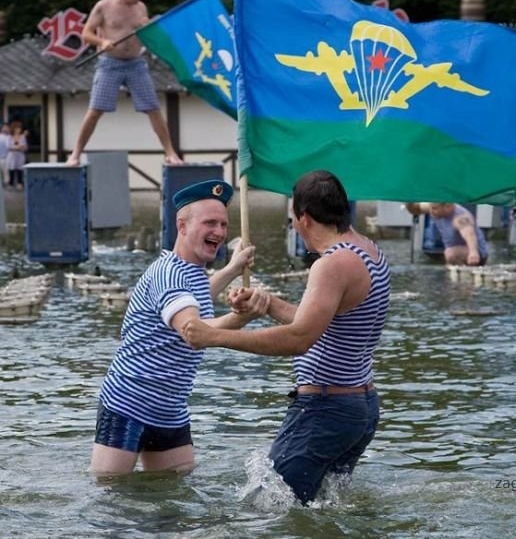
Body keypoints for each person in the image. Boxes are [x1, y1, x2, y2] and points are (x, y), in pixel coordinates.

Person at [179, 170, 392, 505]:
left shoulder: (332, 264)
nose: (294, 225)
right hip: (359, 407)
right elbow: (322, 321)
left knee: (267, 509)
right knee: (320, 510)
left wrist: (214, 336)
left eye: (293, 218)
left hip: (325, 408)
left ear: (304, 218)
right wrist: (267, 303)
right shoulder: (369, 251)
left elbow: (299, 338)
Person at [90, 179, 270, 476]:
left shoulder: (191, 270)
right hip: (128, 405)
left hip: (170, 409)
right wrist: (242, 318)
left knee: (173, 504)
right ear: (182, 226)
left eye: (224, 225)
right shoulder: (168, 273)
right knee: (112, 499)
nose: (220, 232)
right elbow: (193, 332)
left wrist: (231, 269)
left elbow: (195, 299)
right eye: (210, 223)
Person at [66, 0, 183, 167]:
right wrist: (102, 41)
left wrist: (150, 27)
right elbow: (86, 34)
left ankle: (170, 153)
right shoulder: (104, 6)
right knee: (95, 110)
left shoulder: (140, 7)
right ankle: (75, 154)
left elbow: (145, 32)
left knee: (153, 108)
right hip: (109, 64)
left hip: (136, 64)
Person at [405, 202, 488, 266]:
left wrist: (473, 252)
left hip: (477, 253)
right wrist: (408, 201)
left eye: (434, 209)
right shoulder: (434, 207)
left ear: (448, 207)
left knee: (450, 254)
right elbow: (415, 209)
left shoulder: (460, 217)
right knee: (449, 253)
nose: (431, 211)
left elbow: (470, 234)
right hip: (458, 249)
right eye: (430, 208)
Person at [6, 121, 28, 190]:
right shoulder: (9, 137)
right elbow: (8, 147)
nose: (19, 129)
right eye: (17, 128)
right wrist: (19, 147)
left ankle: (20, 183)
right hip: (12, 156)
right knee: (11, 169)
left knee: (20, 170)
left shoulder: (22, 137)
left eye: (20, 128)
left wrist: (18, 147)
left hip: (20, 156)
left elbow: (25, 147)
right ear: (14, 129)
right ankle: (11, 183)